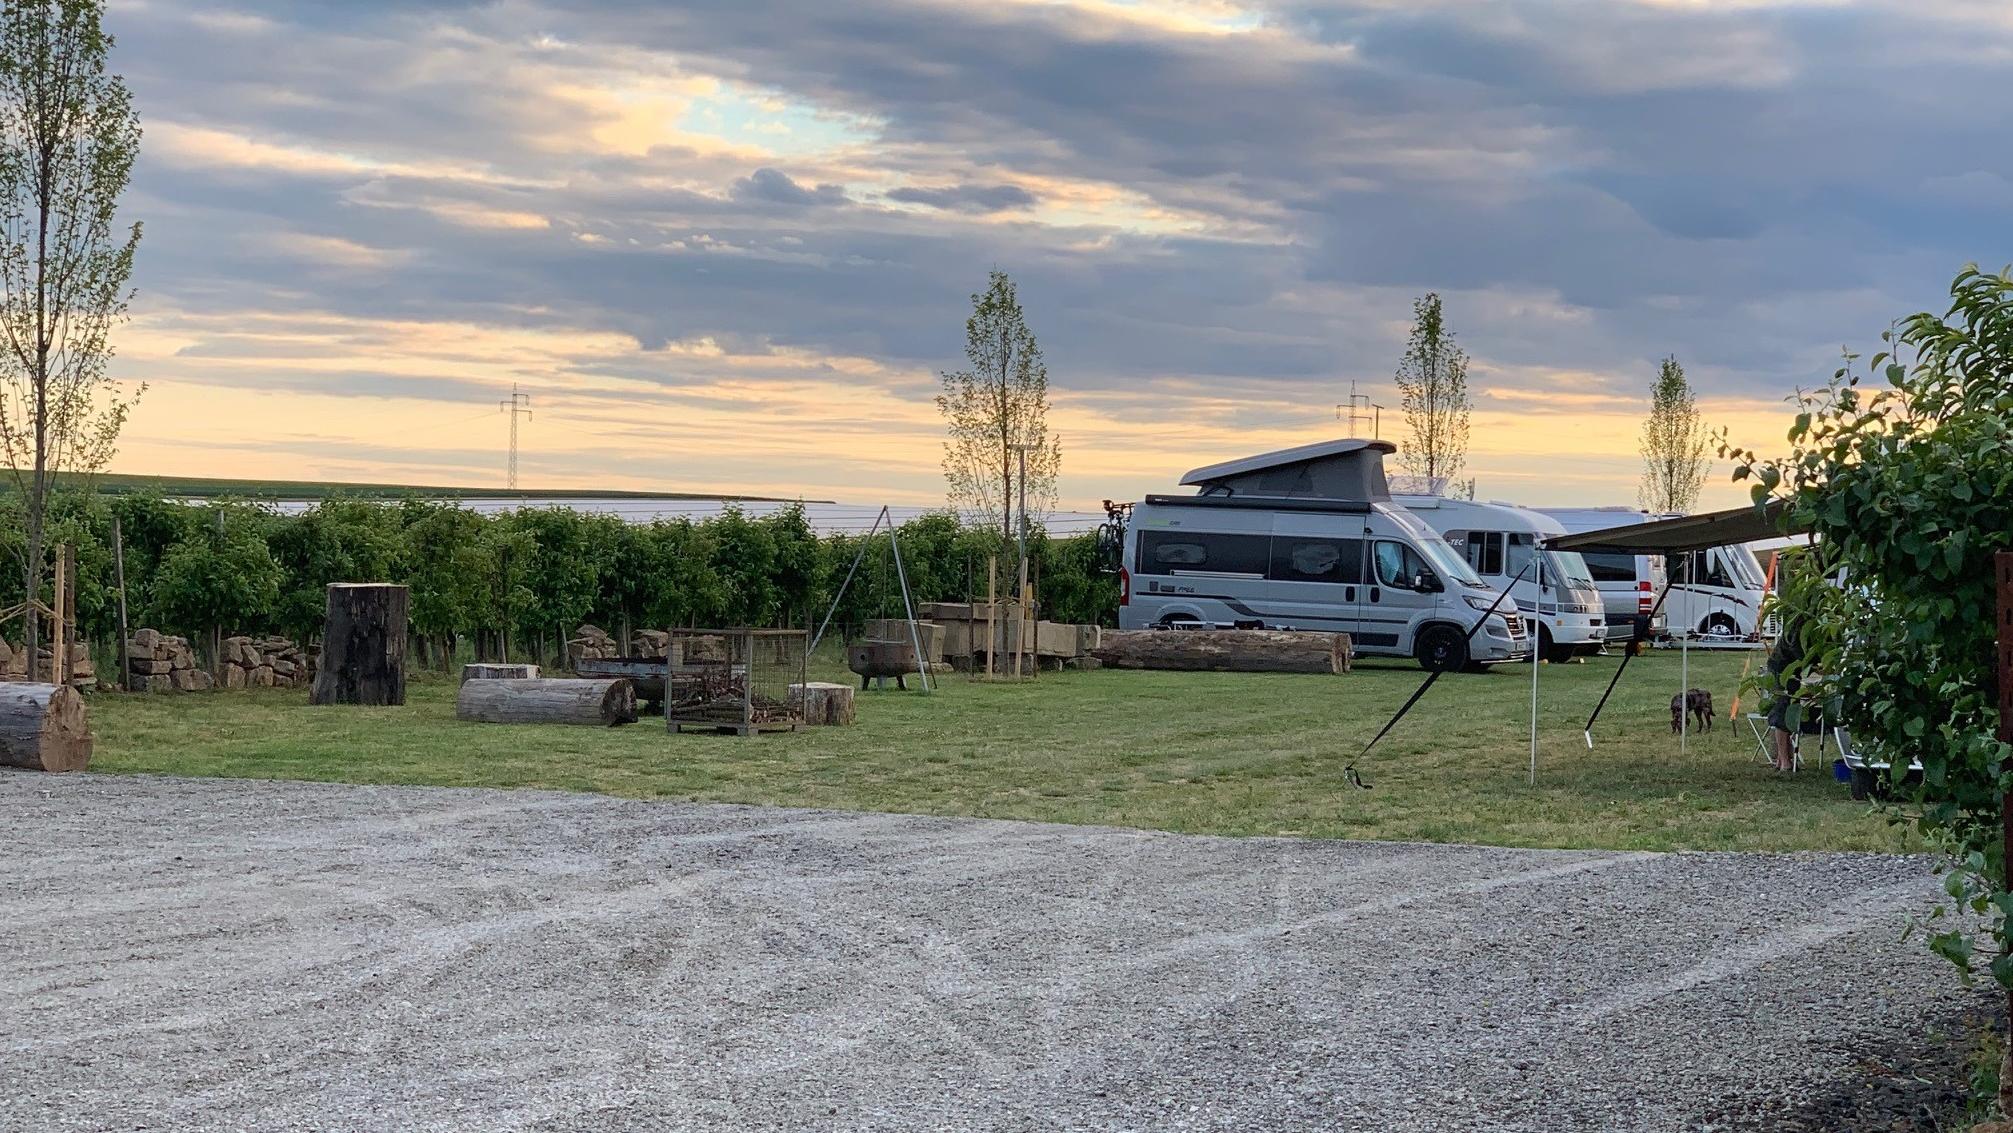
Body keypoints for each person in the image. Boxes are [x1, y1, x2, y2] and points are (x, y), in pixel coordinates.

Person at [1764, 613, 1806, 773]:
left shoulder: (1799, 623)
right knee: (1782, 711)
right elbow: (1798, 653)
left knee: (1789, 712)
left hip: (1792, 672)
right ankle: (1784, 761)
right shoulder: (1796, 628)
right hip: (1781, 670)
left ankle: (1785, 759)